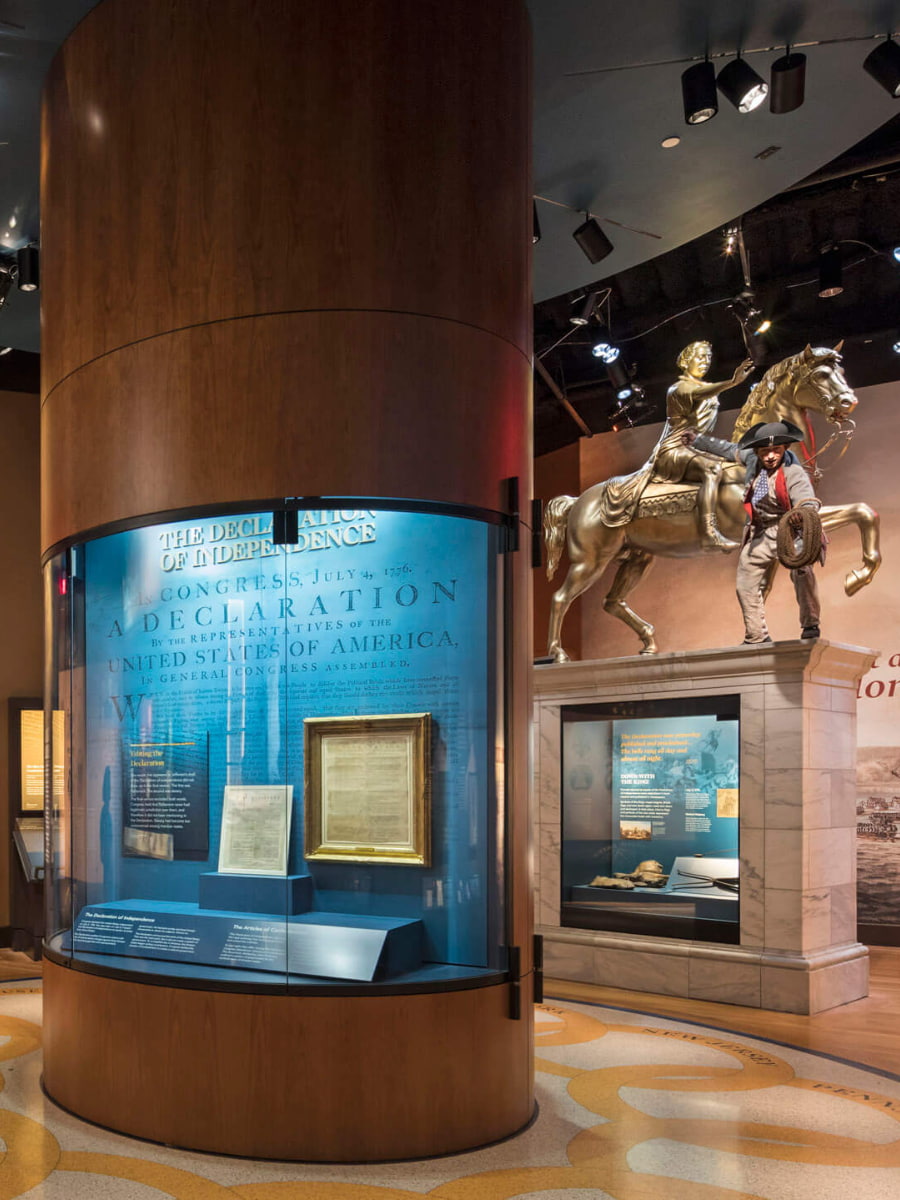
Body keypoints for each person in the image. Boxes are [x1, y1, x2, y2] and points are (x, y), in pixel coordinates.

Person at [692, 419, 823, 644]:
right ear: (757, 451)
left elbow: (807, 500)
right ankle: (756, 634)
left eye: (776, 451)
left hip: (789, 529)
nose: (771, 456)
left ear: (784, 449)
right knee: (745, 580)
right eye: (765, 451)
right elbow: (729, 449)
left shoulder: (794, 471)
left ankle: (810, 623)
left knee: (802, 572)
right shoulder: (752, 458)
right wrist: (698, 440)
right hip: (762, 530)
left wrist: (805, 514)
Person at [649, 341, 755, 551]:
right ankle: (709, 533)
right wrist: (732, 382)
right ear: (686, 361)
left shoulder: (706, 389)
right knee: (712, 469)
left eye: (708, 358)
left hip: (697, 444)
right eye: (699, 357)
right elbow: (700, 393)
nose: (705, 362)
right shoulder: (678, 388)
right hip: (676, 447)